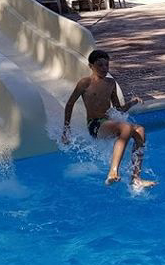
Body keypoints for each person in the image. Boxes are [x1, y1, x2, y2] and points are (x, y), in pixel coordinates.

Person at [62, 49, 156, 188]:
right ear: (91, 66)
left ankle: (136, 178)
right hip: (95, 125)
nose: (104, 68)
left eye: (107, 65)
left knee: (140, 130)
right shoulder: (85, 83)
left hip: (108, 122)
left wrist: (132, 102)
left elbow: (118, 108)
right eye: (100, 65)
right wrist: (66, 129)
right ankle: (113, 172)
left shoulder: (111, 83)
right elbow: (70, 104)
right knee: (127, 127)